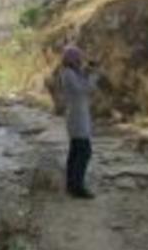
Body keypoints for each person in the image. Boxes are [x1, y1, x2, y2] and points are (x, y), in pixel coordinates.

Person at [60, 45, 99, 199]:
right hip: (77, 118)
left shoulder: (71, 72)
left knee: (76, 152)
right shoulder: (68, 73)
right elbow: (83, 89)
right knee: (84, 152)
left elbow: (82, 83)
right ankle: (77, 187)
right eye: (78, 58)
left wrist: (88, 72)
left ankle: (72, 185)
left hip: (78, 116)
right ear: (72, 59)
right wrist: (93, 76)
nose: (80, 61)